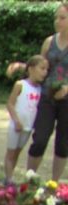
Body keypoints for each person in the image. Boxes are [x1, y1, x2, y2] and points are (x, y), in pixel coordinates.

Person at [27, 2, 68, 182]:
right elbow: (39, 67)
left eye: (62, 18)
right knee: (40, 139)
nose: (57, 21)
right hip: (47, 97)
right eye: (56, 18)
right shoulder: (49, 42)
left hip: (67, 100)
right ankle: (30, 180)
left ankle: (54, 184)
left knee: (63, 143)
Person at [5, 55, 48, 185]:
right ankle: (8, 179)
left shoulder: (40, 88)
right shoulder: (20, 85)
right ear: (31, 69)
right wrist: (16, 121)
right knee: (11, 153)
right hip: (16, 126)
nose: (45, 72)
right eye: (42, 68)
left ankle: (10, 176)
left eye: (46, 69)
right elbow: (10, 104)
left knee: (17, 153)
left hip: (28, 127)